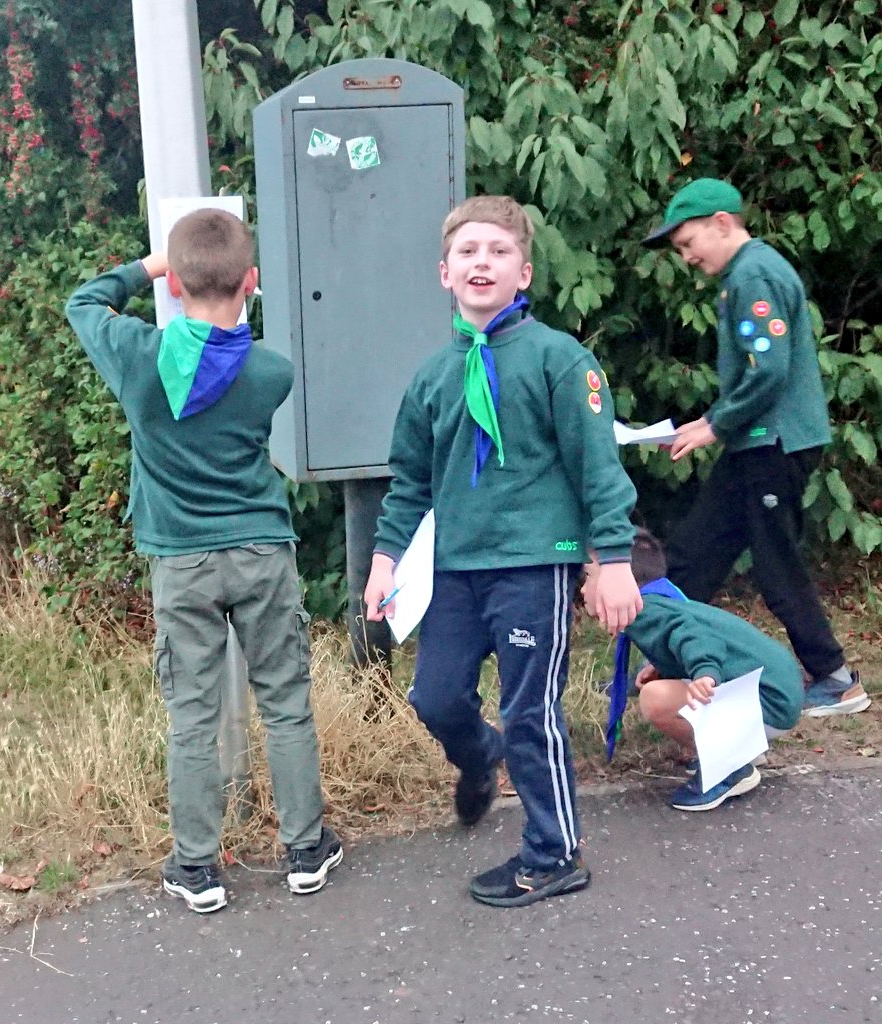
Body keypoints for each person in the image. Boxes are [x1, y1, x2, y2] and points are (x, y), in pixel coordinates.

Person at [363, 195, 642, 908]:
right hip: (455, 569)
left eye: (496, 252)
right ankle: (478, 755)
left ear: (523, 273)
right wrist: (385, 560)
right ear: (443, 273)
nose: (480, 262)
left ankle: (553, 853)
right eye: (467, 252)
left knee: (529, 712)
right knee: (434, 696)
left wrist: (611, 559)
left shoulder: (557, 359)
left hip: (532, 562)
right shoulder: (431, 377)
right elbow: (409, 483)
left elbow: (596, 466)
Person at [66, 209, 341, 914]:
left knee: (191, 715)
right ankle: (305, 850)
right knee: (284, 702)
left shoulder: (136, 357)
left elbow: (83, 300)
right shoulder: (269, 373)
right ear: (250, 281)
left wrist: (150, 267)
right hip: (260, 552)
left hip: (181, 563)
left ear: (175, 284)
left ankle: (196, 867)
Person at [641, 177, 869, 718]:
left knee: (774, 562)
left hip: (774, 444)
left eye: (688, 243)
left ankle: (835, 679)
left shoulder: (754, 274)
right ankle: (669, 664)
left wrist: (715, 425)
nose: (688, 257)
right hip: (754, 443)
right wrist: (714, 423)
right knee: (697, 551)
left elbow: (768, 370)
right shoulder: (744, 275)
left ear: (722, 223)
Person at [583, 529, 804, 811]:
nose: (582, 588)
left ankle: (730, 767)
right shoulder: (659, 600)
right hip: (776, 692)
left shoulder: (645, 611)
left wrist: (705, 672)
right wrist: (661, 666)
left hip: (771, 701)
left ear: (621, 581)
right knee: (657, 685)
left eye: (589, 576)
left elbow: (696, 635)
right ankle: (740, 749)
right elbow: (679, 635)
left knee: (656, 699)